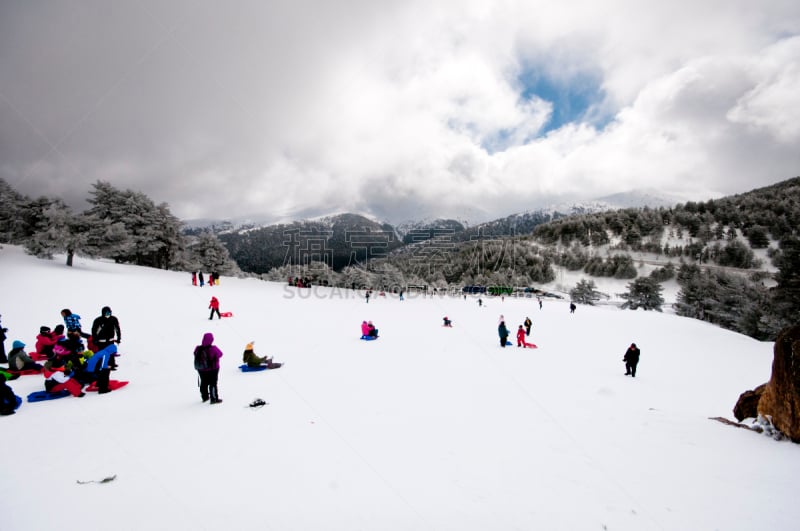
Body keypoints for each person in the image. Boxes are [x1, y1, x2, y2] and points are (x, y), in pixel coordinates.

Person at [194, 332, 223, 404]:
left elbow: (194, 353)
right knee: (213, 383)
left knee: (204, 382)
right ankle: (214, 399)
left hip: (201, 370)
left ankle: (205, 397)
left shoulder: (198, 348)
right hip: (213, 369)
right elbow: (220, 354)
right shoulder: (213, 348)